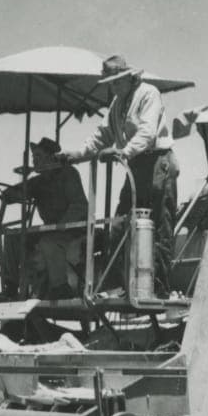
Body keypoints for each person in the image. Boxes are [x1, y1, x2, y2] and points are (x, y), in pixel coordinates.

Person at [58, 55, 178, 298]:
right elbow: (102, 135)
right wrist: (77, 154)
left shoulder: (148, 93)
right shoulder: (117, 104)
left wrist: (123, 152)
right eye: (110, 84)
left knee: (159, 226)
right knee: (121, 223)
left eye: (116, 82)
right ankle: (119, 285)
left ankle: (159, 288)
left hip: (157, 163)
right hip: (134, 165)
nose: (113, 88)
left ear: (129, 78)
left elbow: (147, 131)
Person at [2, 137, 89, 298]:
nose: (35, 161)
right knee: (12, 237)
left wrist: (62, 225)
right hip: (51, 230)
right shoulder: (39, 181)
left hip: (73, 230)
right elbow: (20, 191)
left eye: (39, 157)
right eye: (33, 157)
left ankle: (60, 287)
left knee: (48, 242)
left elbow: (80, 206)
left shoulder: (68, 174)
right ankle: (11, 286)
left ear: (51, 157)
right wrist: (9, 194)